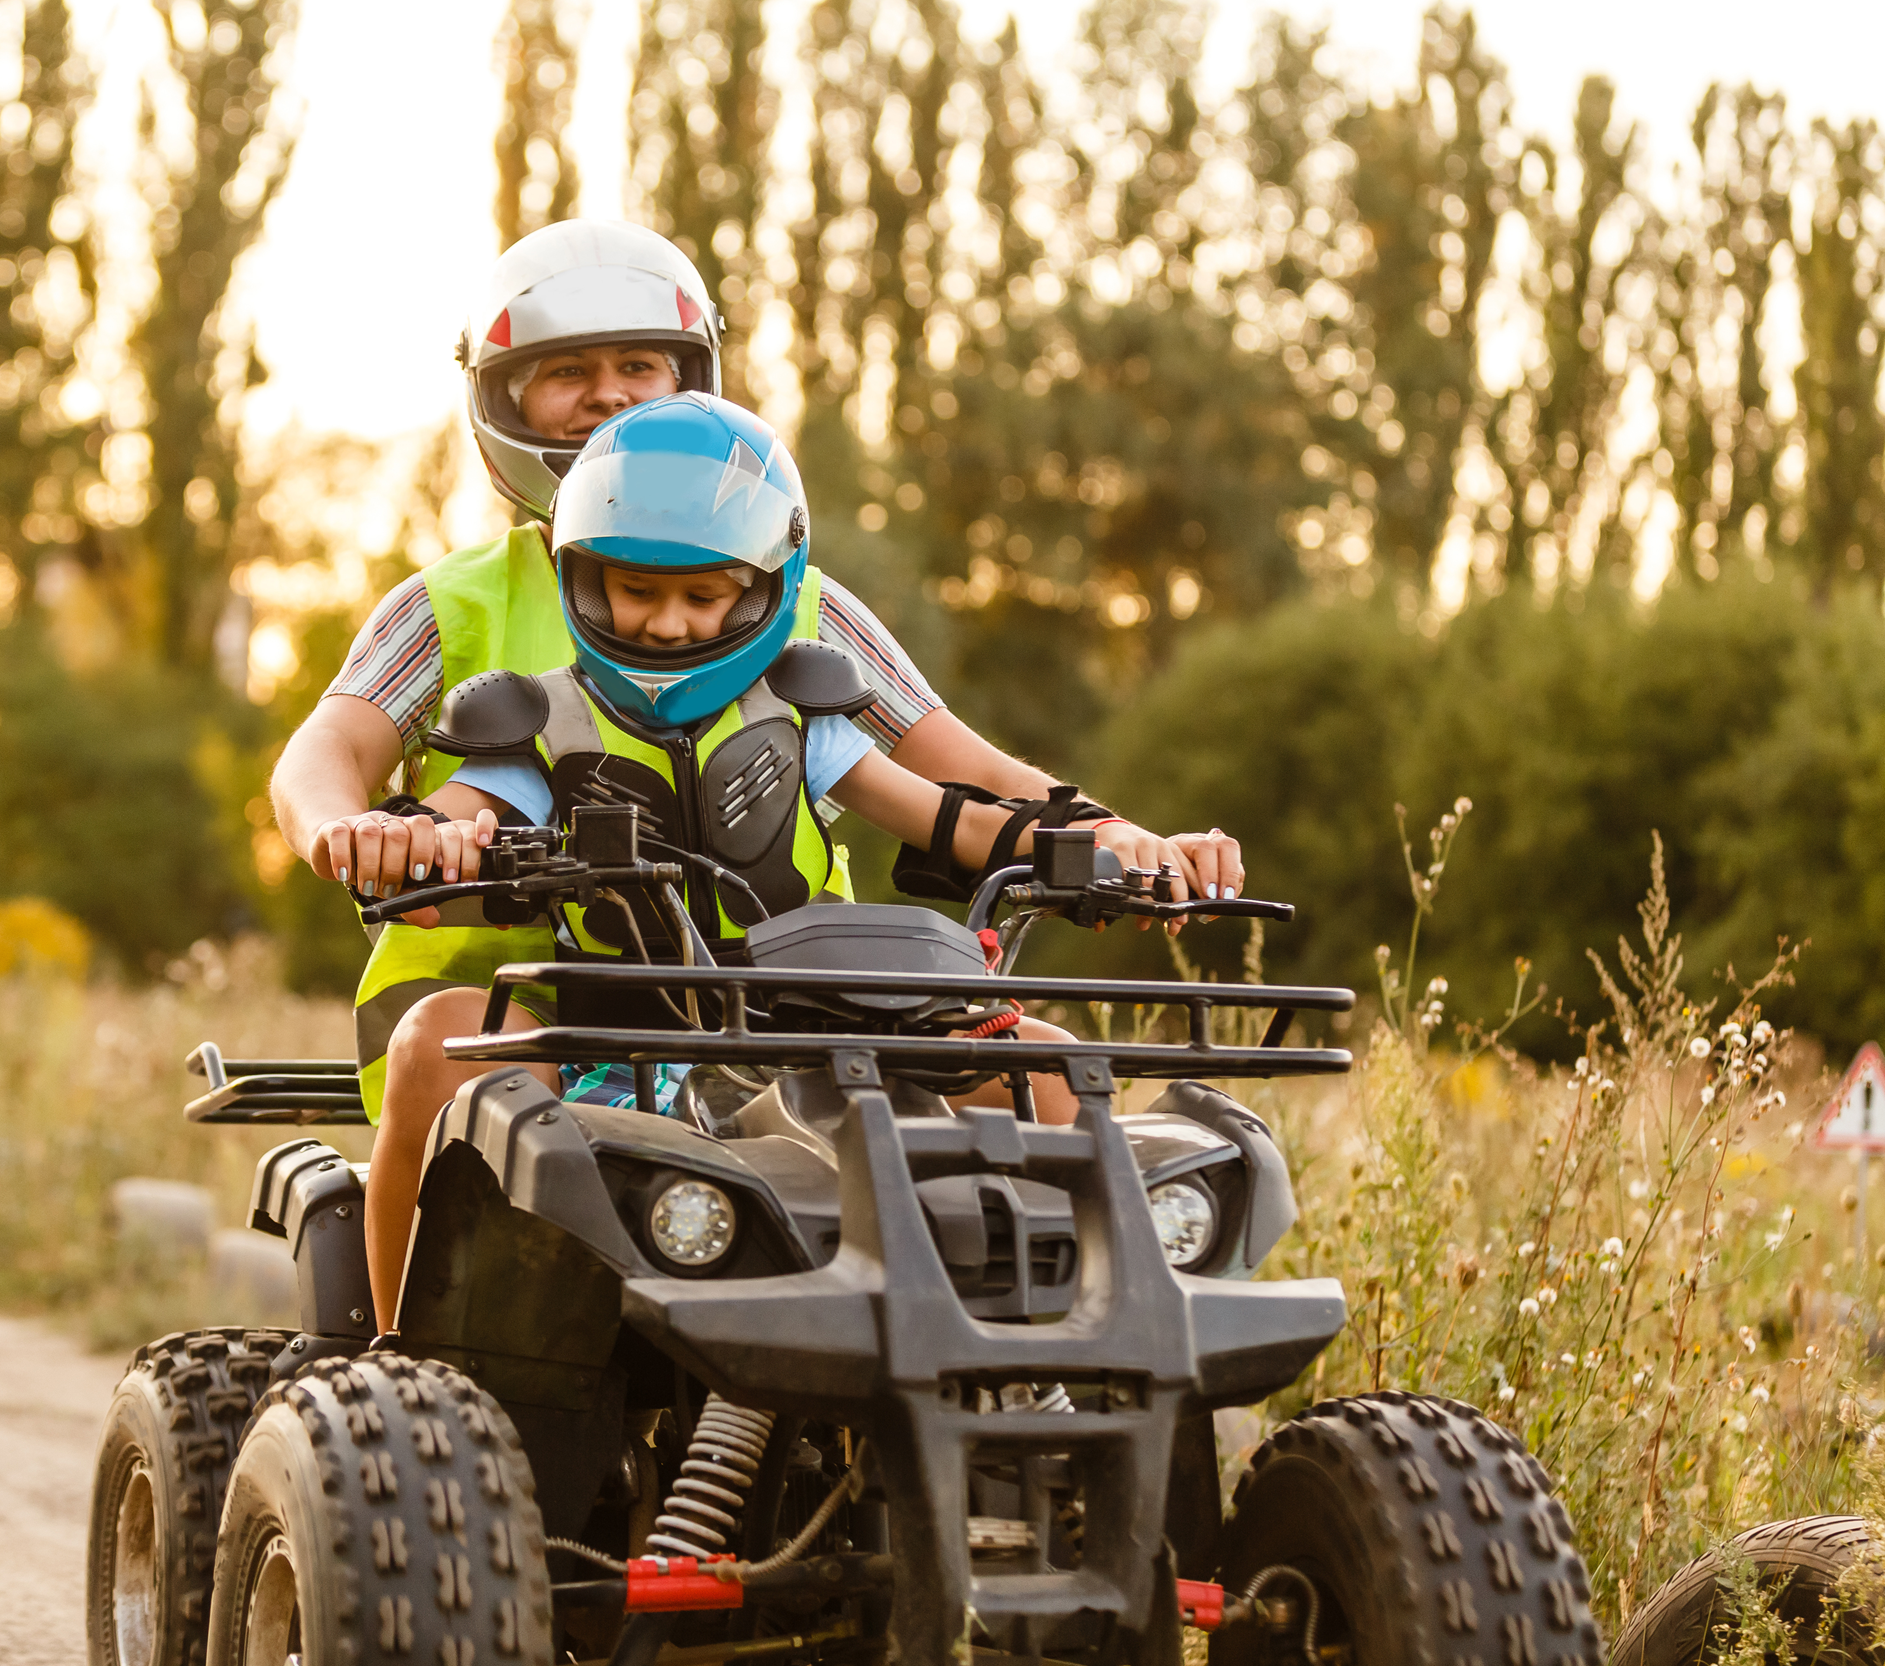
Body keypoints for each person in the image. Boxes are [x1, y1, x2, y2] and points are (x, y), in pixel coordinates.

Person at [268, 219, 1244, 1118]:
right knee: (448, 1047)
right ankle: (413, 1318)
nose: (607, 392)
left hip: (802, 999)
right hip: (521, 1012)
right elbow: (325, 752)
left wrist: (1124, 842)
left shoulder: (791, 592)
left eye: (638, 364)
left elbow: (961, 773)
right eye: (566, 370)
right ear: (501, 395)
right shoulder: (451, 599)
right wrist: (354, 834)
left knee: (1053, 1075)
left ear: (691, 383)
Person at [335, 395, 1150, 1336]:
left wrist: (1106, 854)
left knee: (1048, 1063)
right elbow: (450, 826)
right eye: (637, 592)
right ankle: (405, 1359)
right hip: (611, 1036)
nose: (670, 626)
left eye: (703, 594)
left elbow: (952, 819)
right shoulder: (533, 724)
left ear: (767, 587)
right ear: (582, 580)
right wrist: (402, 843)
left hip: (815, 1028)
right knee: (436, 1037)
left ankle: (1063, 1362)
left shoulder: (806, 716)